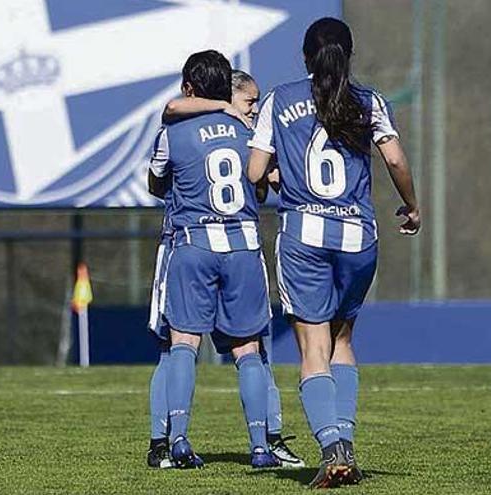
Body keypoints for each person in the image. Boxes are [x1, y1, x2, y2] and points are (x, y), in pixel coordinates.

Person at [246, 17, 420, 488]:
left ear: (305, 57)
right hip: (357, 237)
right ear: (349, 55)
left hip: (305, 234)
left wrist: (272, 177)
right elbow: (397, 160)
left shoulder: (279, 100)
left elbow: (256, 168)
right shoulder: (368, 100)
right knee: (343, 340)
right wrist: (411, 206)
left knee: (313, 347)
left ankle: (331, 448)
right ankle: (346, 442)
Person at [159, 70, 304, 468]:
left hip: (195, 244)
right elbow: (265, 183)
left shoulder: (174, 132)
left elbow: (157, 182)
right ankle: (260, 447)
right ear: (230, 91)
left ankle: (179, 442)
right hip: (243, 247)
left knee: (184, 345)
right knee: (248, 351)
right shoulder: (253, 133)